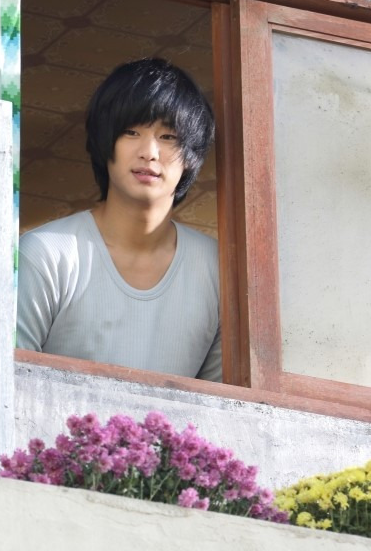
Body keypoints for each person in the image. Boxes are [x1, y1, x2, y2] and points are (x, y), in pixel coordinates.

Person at [16, 57, 221, 382]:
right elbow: (11, 383)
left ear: (191, 156)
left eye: (168, 137)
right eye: (131, 131)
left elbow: (224, 403)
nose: (149, 152)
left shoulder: (218, 269)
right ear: (104, 142)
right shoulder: (46, 255)